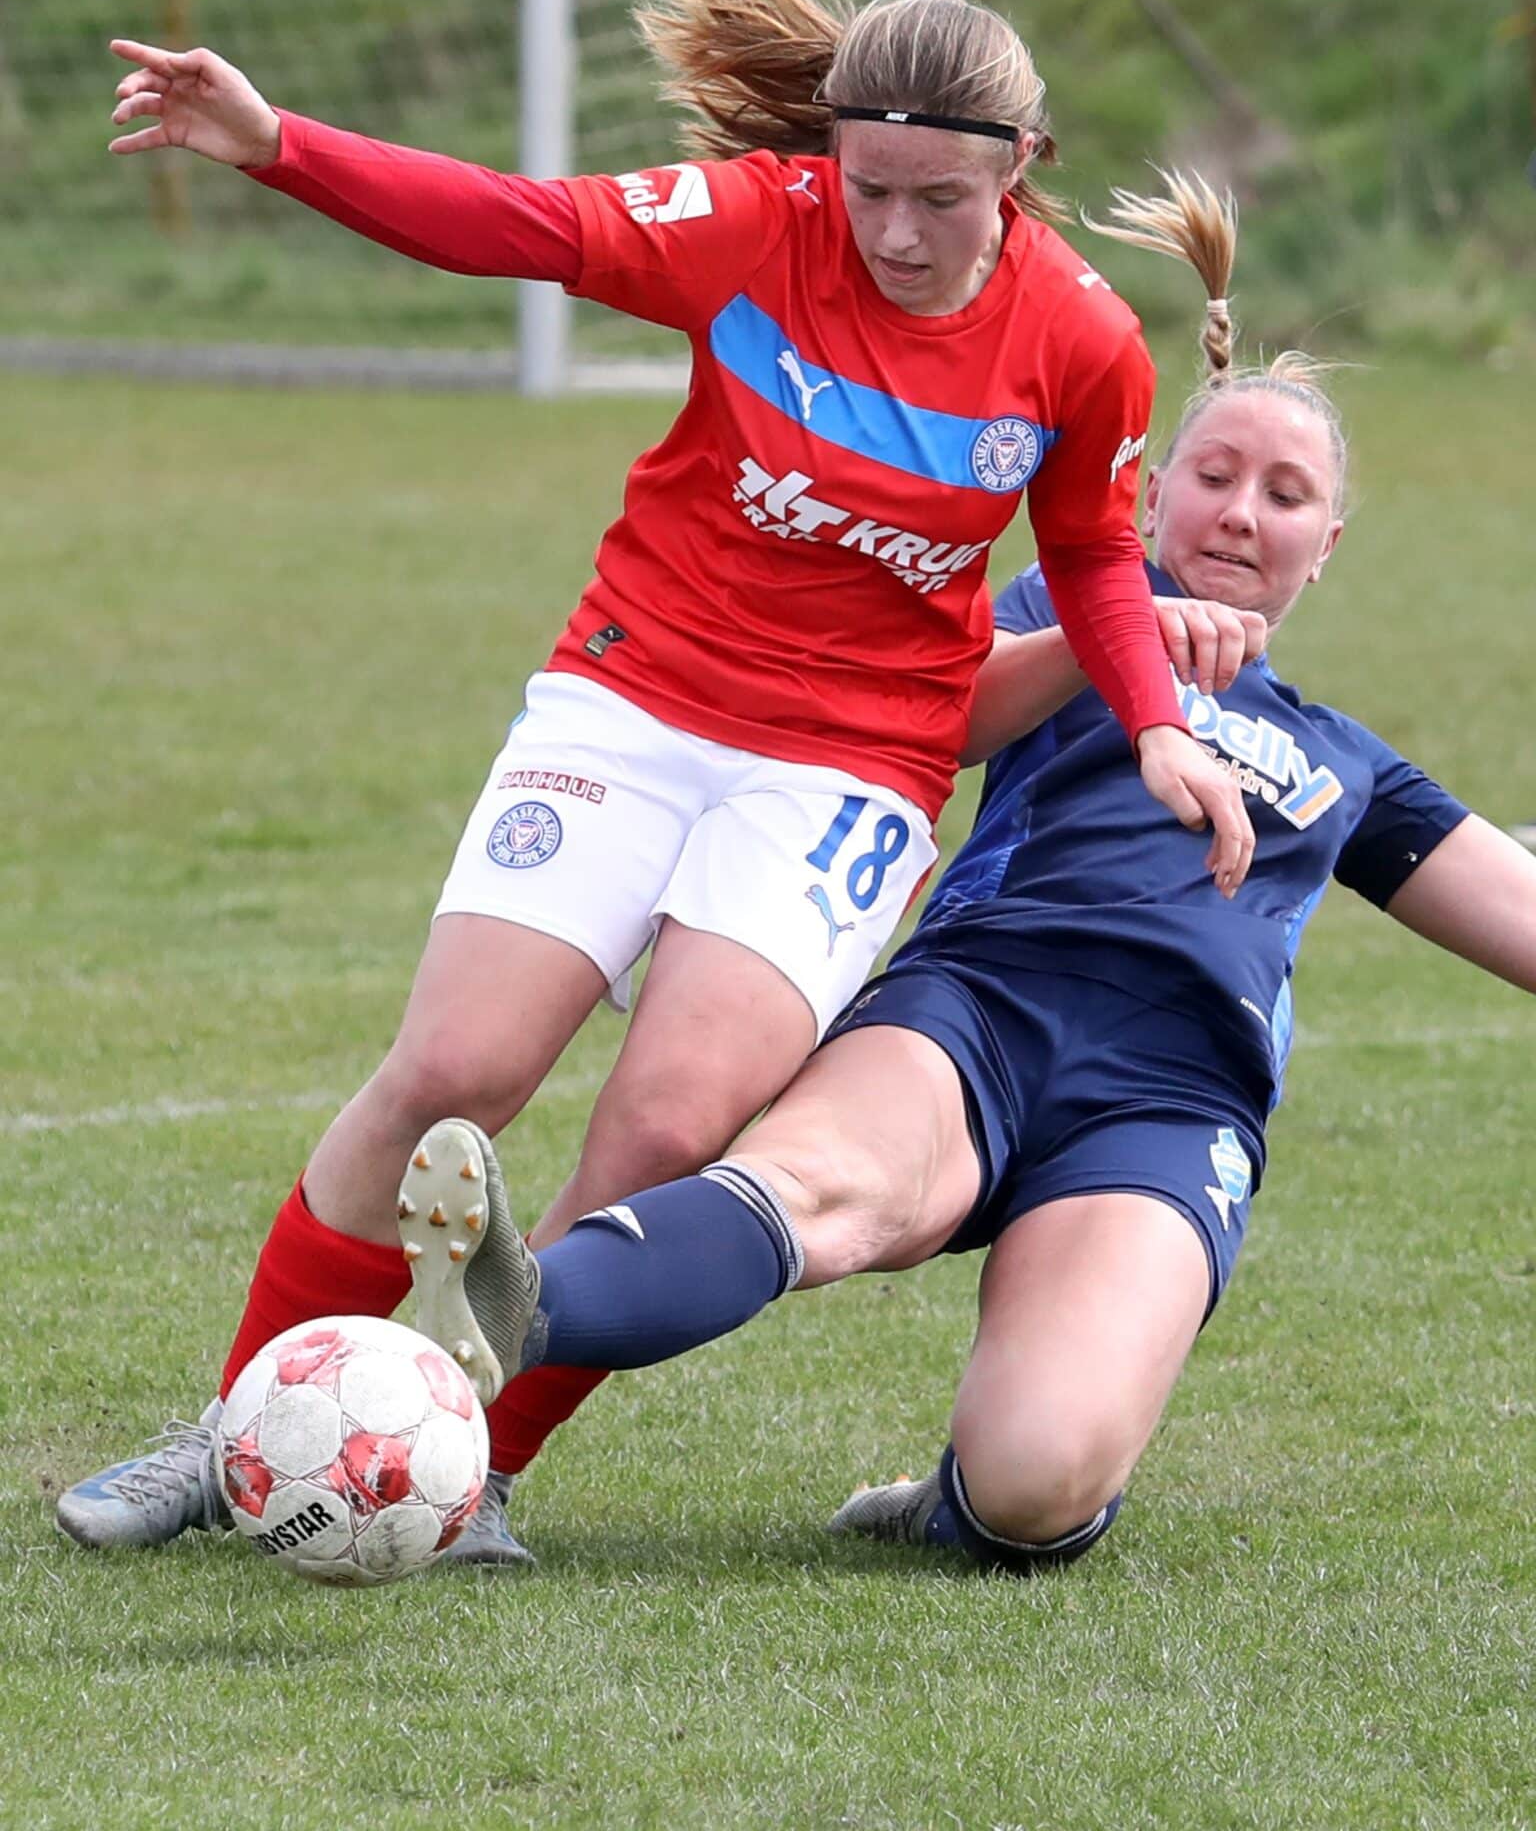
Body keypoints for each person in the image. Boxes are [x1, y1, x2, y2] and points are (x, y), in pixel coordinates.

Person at [57, 0, 1251, 1565]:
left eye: (941, 201)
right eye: (869, 186)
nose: (894, 233)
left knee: (672, 1133)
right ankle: (235, 1436)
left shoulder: (1084, 341)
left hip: (852, 766)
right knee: (453, 1074)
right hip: (638, 691)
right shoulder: (757, 222)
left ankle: (471, 1463)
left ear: (1021, 171)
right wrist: (283, 147)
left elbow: (1100, 557)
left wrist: (1160, 729)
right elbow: (523, 223)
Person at [394, 172, 1536, 1575]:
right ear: (1155, 497)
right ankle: (503, 1311)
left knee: (1032, 1490)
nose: (1243, 514)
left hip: (1170, 1102)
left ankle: (961, 1493)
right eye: (1216, 480)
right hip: (976, 1016)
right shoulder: (1071, 617)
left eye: (1286, 495)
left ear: (1328, 545)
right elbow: (923, 704)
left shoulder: (1348, 764)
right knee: (807, 1192)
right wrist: (1133, 648)